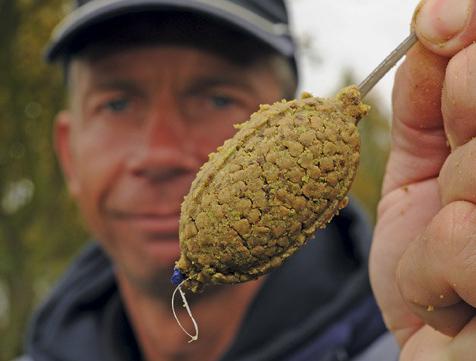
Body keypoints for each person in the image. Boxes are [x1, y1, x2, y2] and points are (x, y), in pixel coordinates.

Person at [20, 1, 399, 361]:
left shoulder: (419, 342)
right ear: (68, 155)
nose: (160, 153)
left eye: (217, 99)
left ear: (286, 123)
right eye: (117, 104)